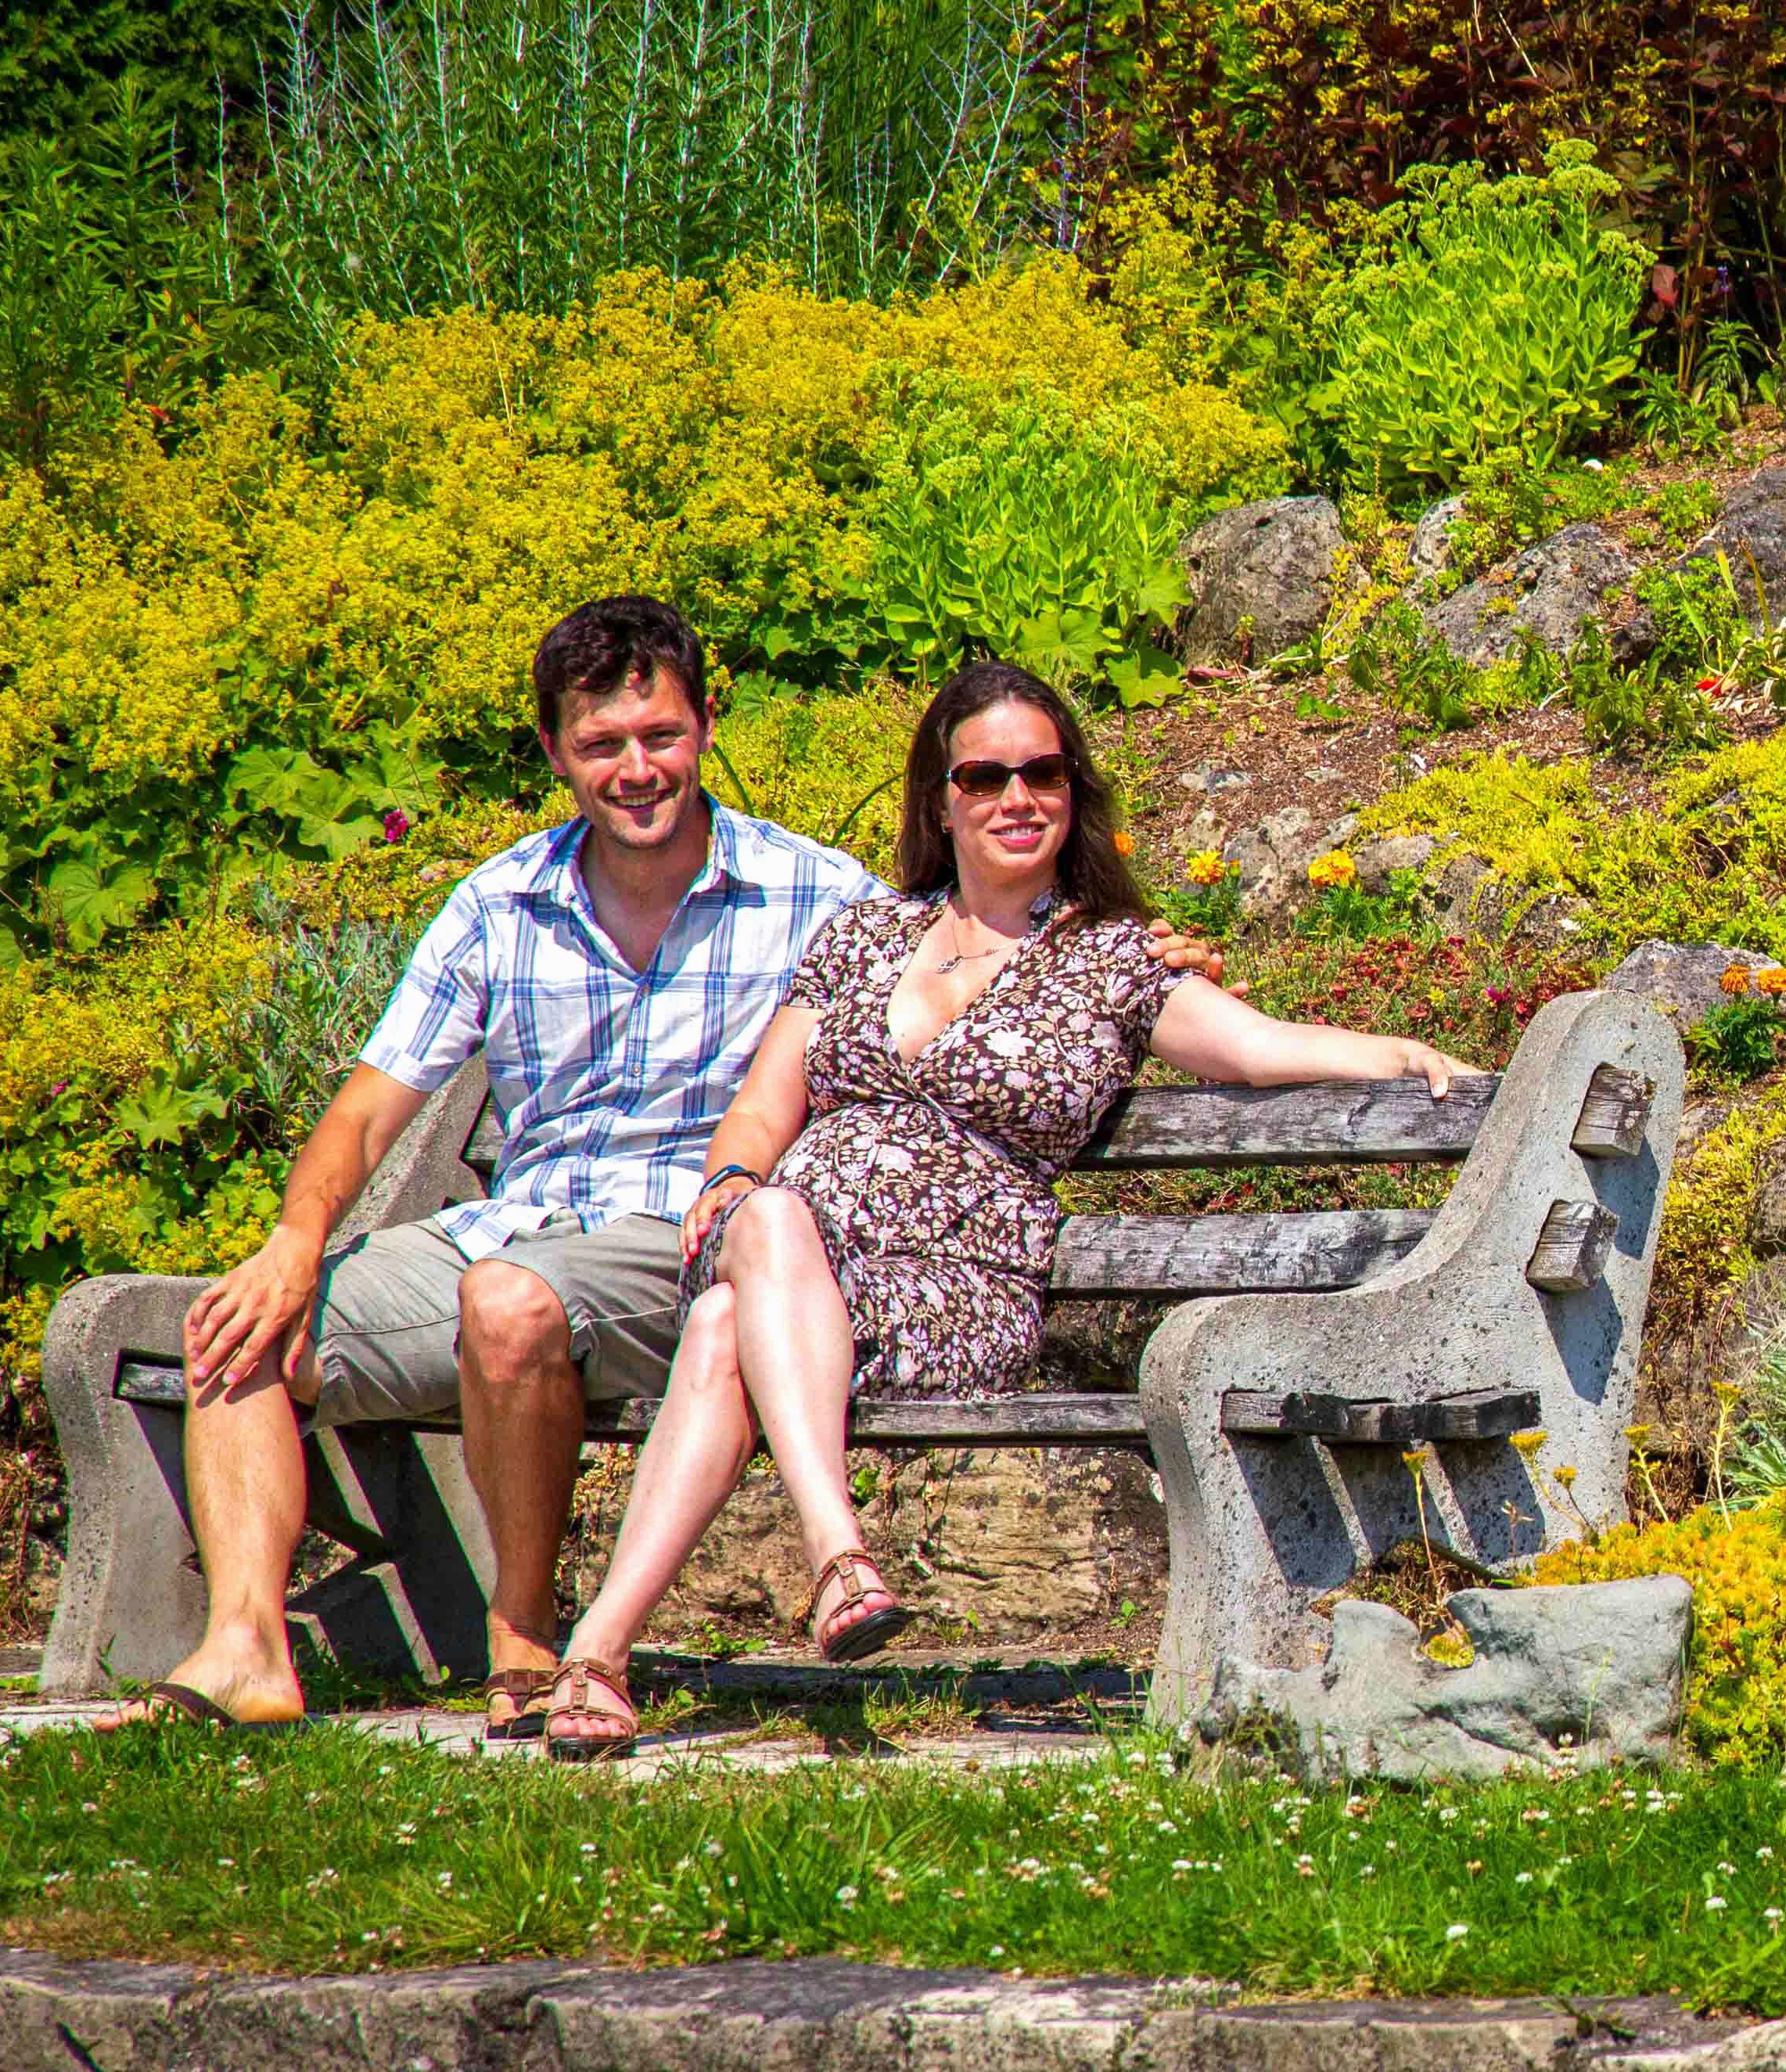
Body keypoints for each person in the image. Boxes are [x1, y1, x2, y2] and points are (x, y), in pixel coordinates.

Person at [103, 599, 1221, 1731]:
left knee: (509, 1303)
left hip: (676, 1242)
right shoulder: (497, 904)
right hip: (506, 1227)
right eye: (601, 745)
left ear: (706, 727)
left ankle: (525, 1637)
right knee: (234, 1321)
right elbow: (364, 1112)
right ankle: (246, 1647)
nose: (636, 770)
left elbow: (971, 943)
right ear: (554, 751)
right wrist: (294, 1249)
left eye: (661, 737)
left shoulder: (814, 894)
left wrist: (1142, 951)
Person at [534, 660, 1470, 1758]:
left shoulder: (1111, 959)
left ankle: (689, 1617)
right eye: (986, 775)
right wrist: (734, 1185)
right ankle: (690, 1622)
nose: (1017, 797)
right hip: (794, 1261)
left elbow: (1260, 1052)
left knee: (728, 1309)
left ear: (1073, 794)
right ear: (943, 798)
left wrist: (1399, 1051)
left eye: (1044, 772)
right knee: (754, 1255)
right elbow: (758, 1116)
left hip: (957, 1282)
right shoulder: (862, 939)